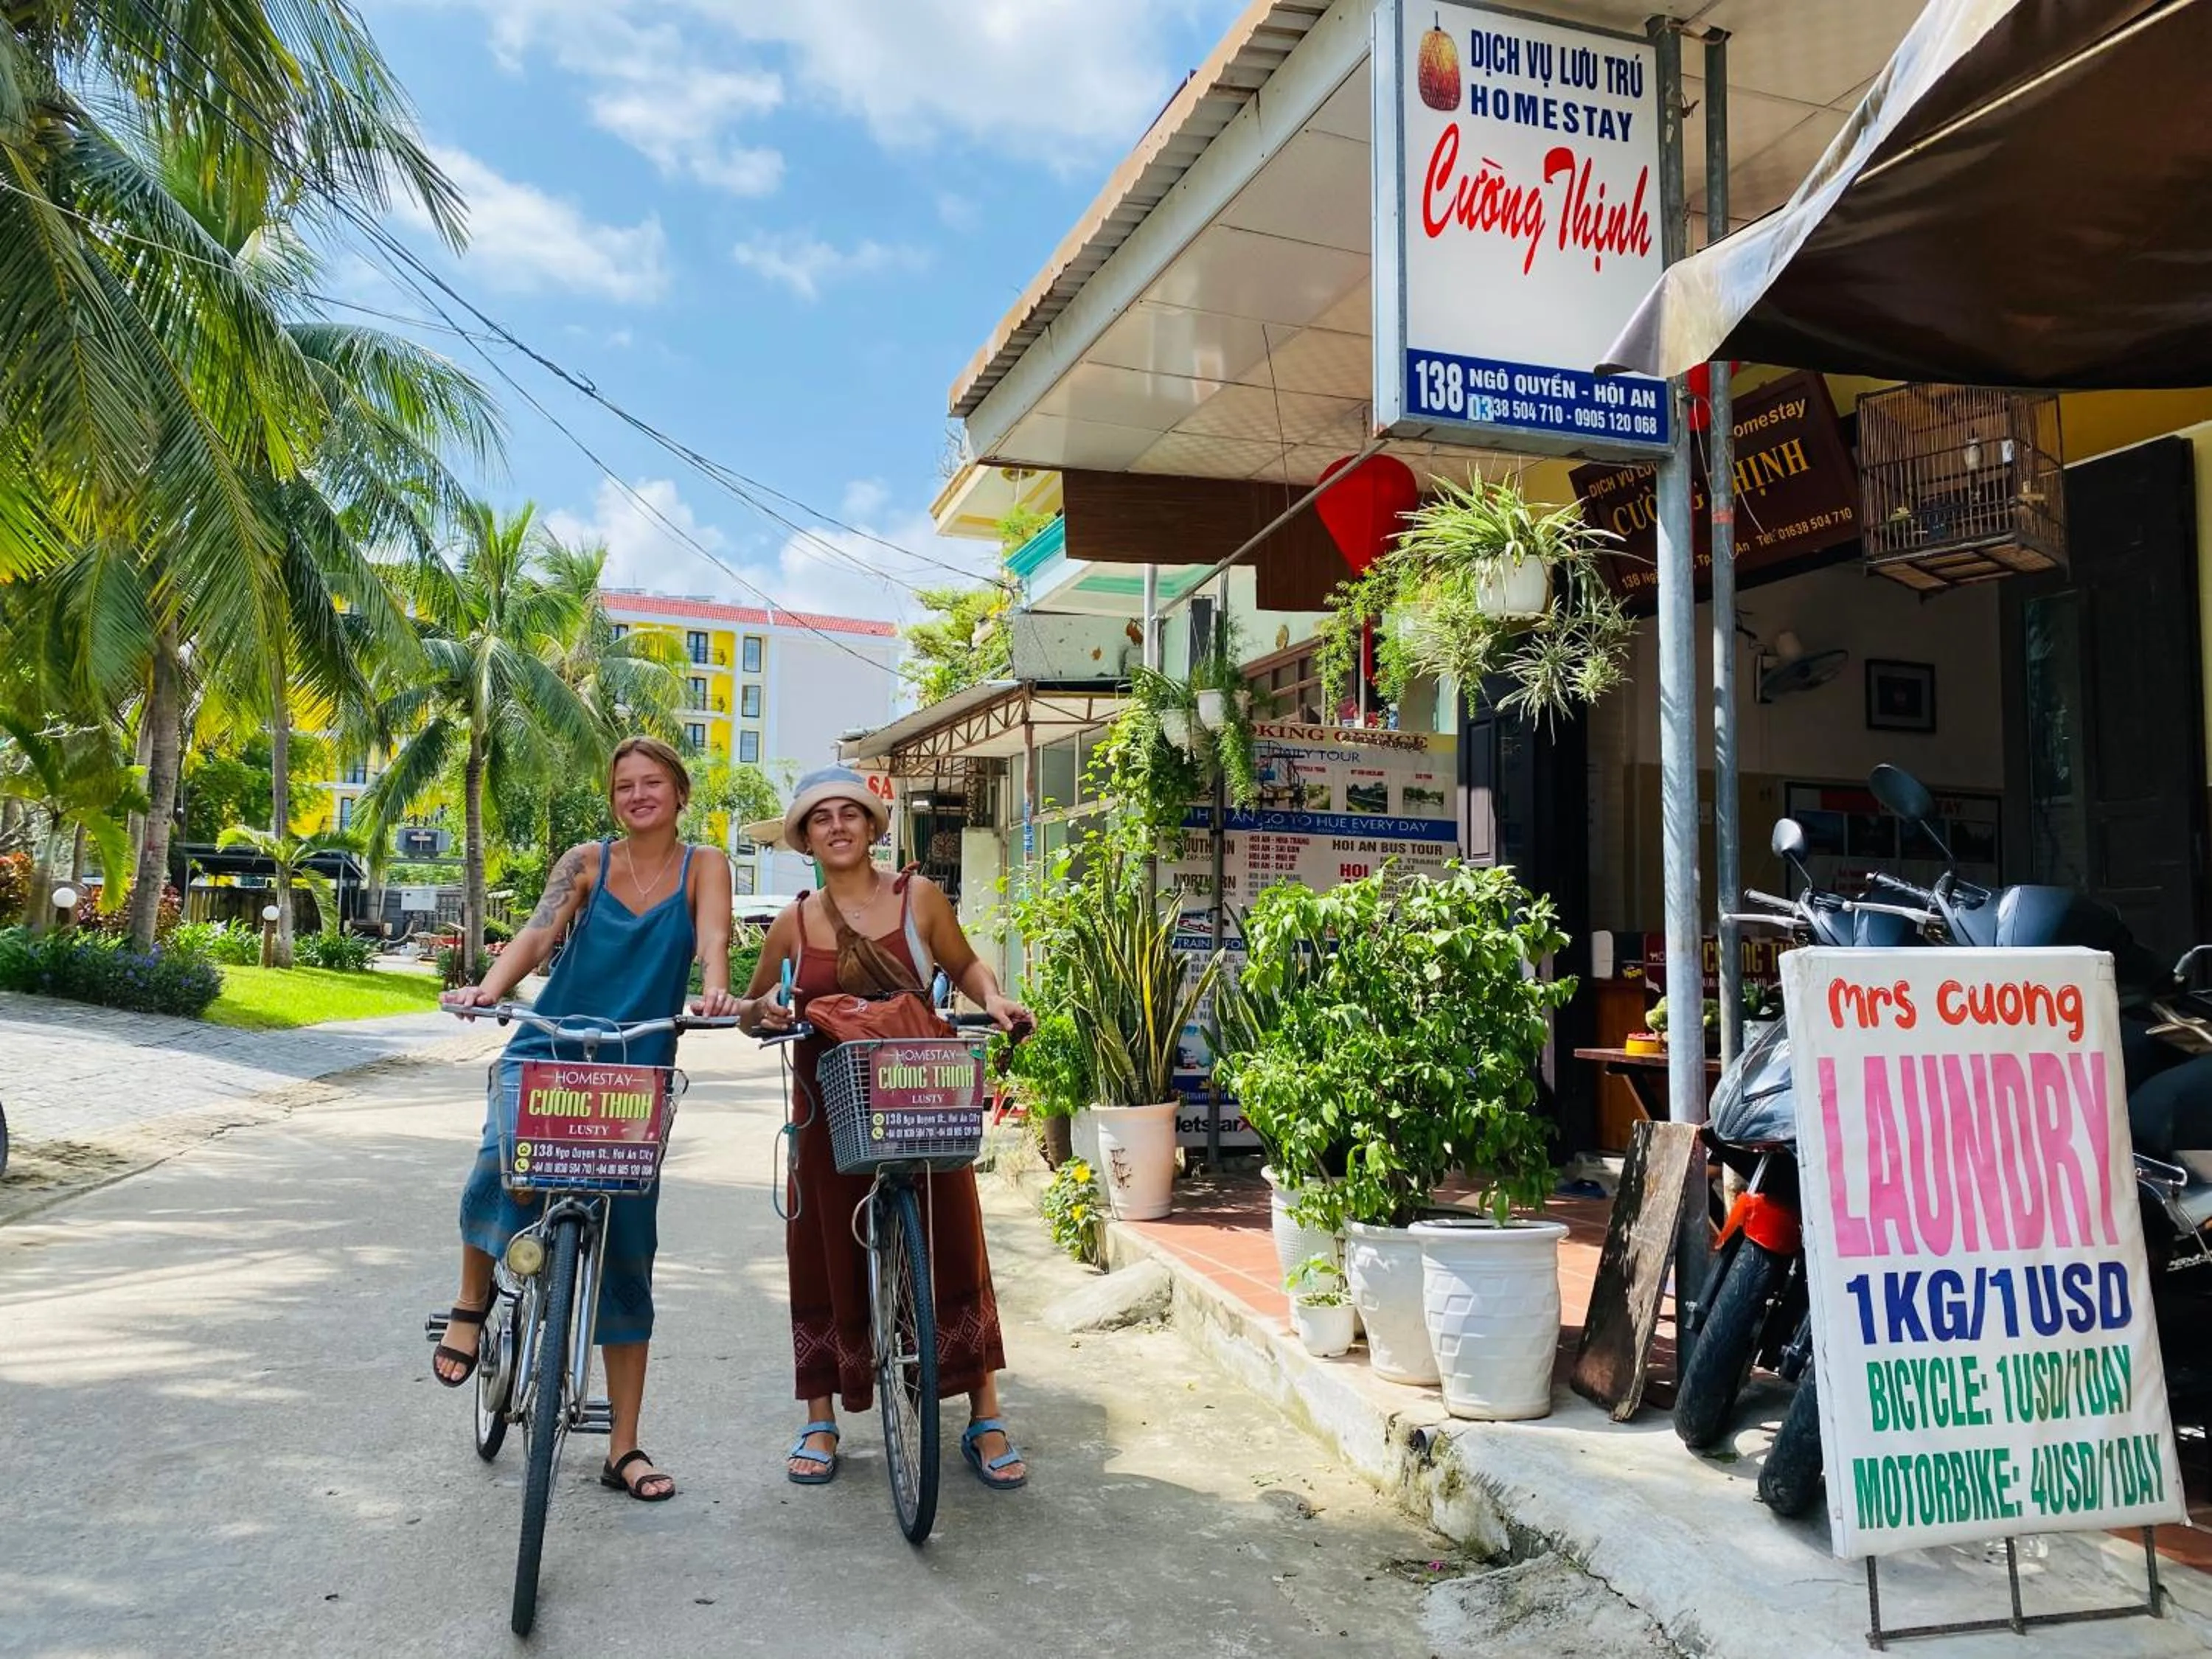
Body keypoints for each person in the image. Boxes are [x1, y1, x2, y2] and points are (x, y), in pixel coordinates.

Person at [435, 736, 739, 1503]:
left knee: (629, 1249)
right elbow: (538, 934)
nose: (638, 795)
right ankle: (471, 1306)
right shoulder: (589, 862)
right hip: (553, 1043)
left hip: (638, 1063)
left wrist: (713, 990)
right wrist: (488, 988)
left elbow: (712, 938)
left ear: (680, 792)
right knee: (497, 1163)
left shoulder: (704, 865)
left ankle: (623, 1448)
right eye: (624, 785)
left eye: (653, 783)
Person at [738, 768, 1032, 1491]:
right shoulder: (792, 920)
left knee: (953, 1237)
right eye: (820, 818)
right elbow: (750, 1006)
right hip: (825, 1101)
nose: (837, 826)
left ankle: (984, 1414)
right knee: (820, 1245)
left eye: (850, 815)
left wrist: (994, 999)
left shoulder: (918, 899)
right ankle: (820, 1415)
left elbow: (965, 967)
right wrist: (764, 1015)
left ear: (872, 827)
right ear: (804, 837)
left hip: (918, 1090)